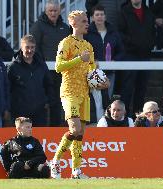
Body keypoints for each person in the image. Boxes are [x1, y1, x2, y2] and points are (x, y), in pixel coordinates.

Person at [50, 10, 109, 179]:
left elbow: (91, 72)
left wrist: (101, 82)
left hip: (84, 93)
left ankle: (76, 171)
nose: (87, 23)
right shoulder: (66, 42)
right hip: (69, 92)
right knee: (74, 128)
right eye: (83, 21)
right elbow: (58, 67)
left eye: (86, 21)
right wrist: (78, 59)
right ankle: (55, 162)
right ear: (73, 23)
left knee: (80, 134)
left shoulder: (88, 46)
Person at [30, 0, 71, 126]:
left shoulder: (65, 27)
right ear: (46, 11)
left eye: (55, 11)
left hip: (62, 72)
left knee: (59, 103)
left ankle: (57, 130)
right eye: (50, 11)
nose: (53, 13)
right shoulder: (38, 26)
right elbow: (34, 47)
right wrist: (42, 66)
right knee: (44, 102)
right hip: (44, 71)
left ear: (59, 11)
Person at [118, 0, 155, 117]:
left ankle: (137, 117)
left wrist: (150, 43)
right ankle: (124, 118)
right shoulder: (124, 12)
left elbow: (152, 32)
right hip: (130, 55)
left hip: (145, 55)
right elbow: (120, 33)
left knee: (142, 88)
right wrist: (132, 42)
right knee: (127, 88)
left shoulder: (149, 12)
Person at [7, 35, 54, 126]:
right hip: (20, 113)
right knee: (22, 139)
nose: (30, 50)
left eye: (32, 47)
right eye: (27, 47)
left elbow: (49, 84)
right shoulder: (13, 67)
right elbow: (7, 89)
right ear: (21, 48)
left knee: (40, 139)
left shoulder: (41, 65)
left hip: (40, 112)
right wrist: (10, 108)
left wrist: (48, 101)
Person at [84, 4, 125, 99]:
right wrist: (92, 60)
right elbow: (83, 51)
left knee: (108, 98)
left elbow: (121, 50)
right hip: (94, 71)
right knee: (96, 99)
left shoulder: (113, 32)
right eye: (97, 15)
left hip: (110, 71)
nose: (100, 17)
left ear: (105, 17)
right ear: (92, 17)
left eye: (102, 14)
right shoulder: (87, 33)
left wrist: (115, 60)